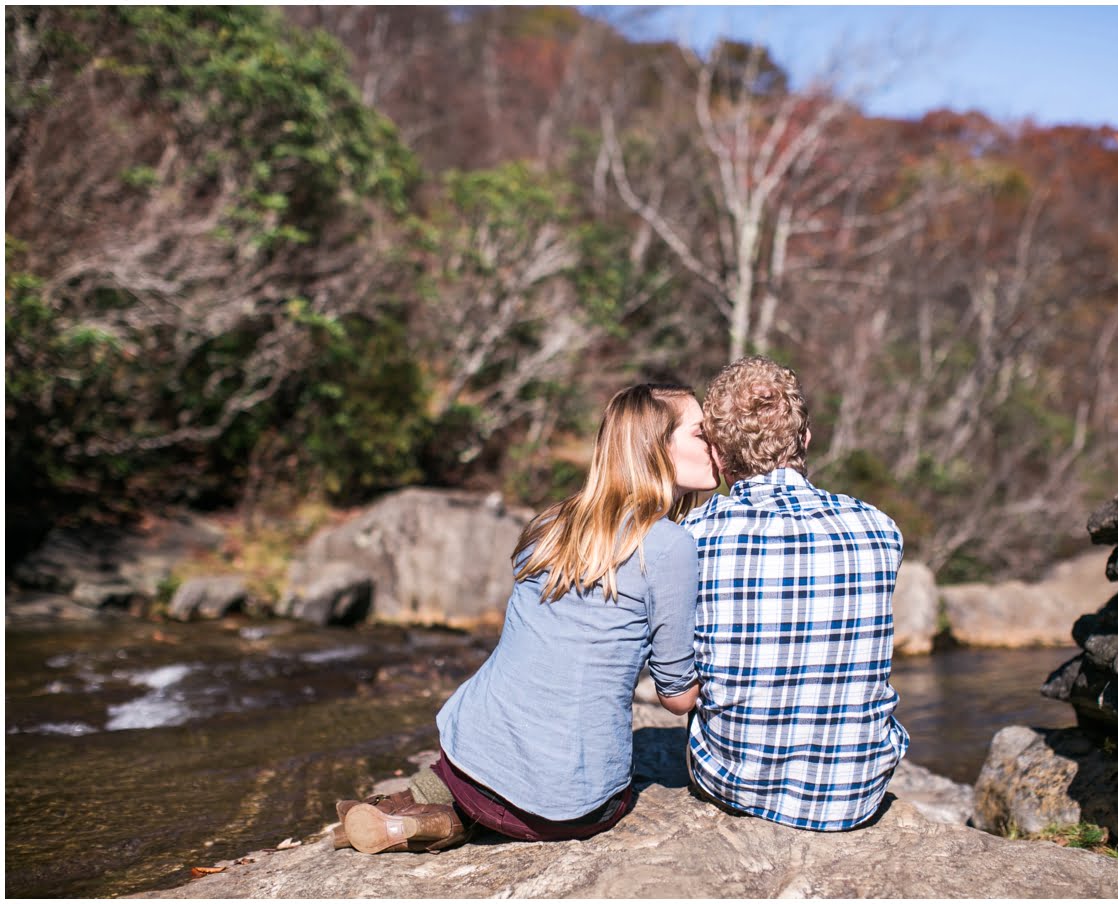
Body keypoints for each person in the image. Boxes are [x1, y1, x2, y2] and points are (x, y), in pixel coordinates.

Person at [334, 382, 720, 854]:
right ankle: (444, 822)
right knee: (576, 794)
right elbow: (677, 698)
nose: (715, 443)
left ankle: (413, 809)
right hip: (569, 808)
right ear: (657, 448)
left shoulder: (551, 525)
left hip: (466, 757)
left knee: (472, 781)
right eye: (701, 433)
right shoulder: (669, 545)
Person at [683, 356, 909, 832]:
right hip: (857, 794)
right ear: (805, 438)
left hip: (737, 786)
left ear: (717, 456)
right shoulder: (879, 528)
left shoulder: (694, 536)